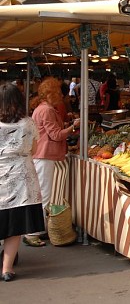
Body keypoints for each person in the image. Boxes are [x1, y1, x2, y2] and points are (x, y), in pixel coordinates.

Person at [0, 83, 46, 281]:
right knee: (14, 226)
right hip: (21, 179)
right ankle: (7, 269)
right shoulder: (28, 123)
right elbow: (33, 150)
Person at [29, 77, 80, 247]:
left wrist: (65, 124)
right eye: (57, 92)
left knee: (41, 193)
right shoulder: (47, 110)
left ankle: (40, 229)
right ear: (50, 93)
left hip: (41, 154)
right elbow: (56, 135)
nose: (60, 95)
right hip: (45, 155)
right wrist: (73, 126)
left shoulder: (42, 109)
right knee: (44, 194)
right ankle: (33, 233)